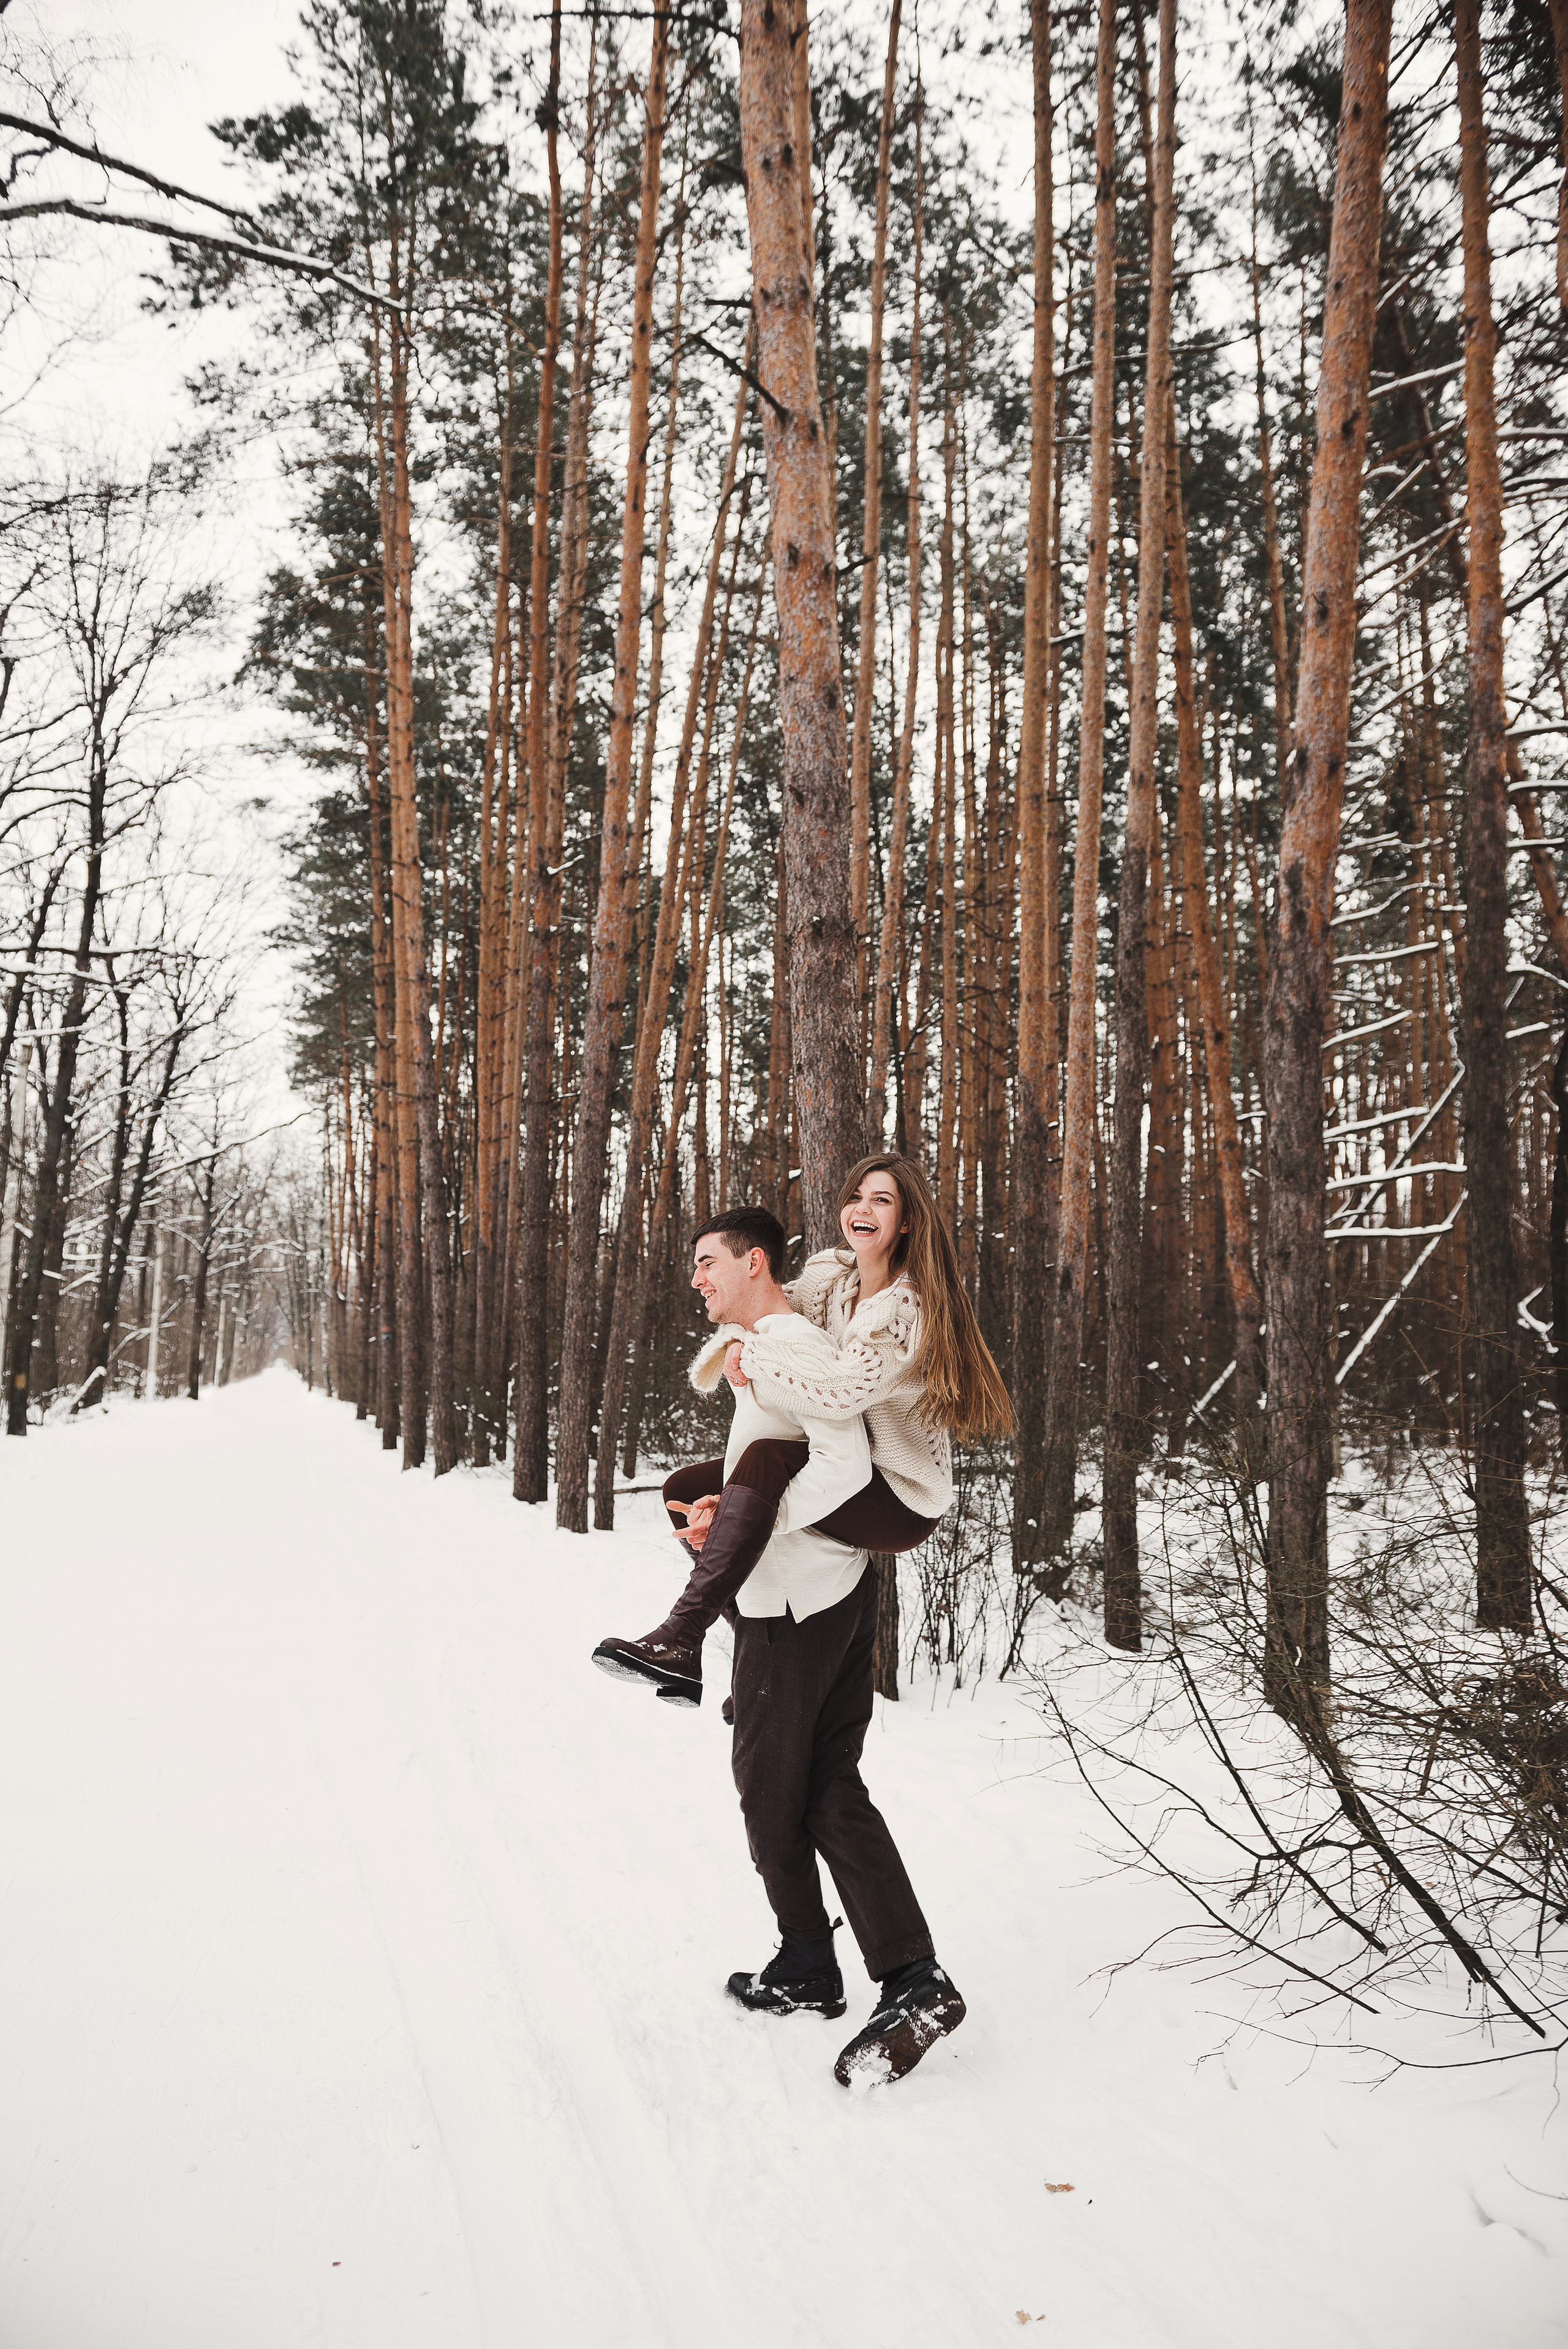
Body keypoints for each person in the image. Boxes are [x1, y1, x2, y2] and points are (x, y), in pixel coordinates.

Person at [594, 1160, 1011, 2088]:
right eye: (856, 1196)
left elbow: (838, 1446)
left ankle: (842, 1967)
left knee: (770, 1792)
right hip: (819, 1589)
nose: (696, 1279)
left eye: (709, 1262)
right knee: (824, 1788)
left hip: (806, 1593)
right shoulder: (813, 1304)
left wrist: (755, 1502)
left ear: (753, 1262)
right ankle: (862, 1971)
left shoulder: (836, 1336)